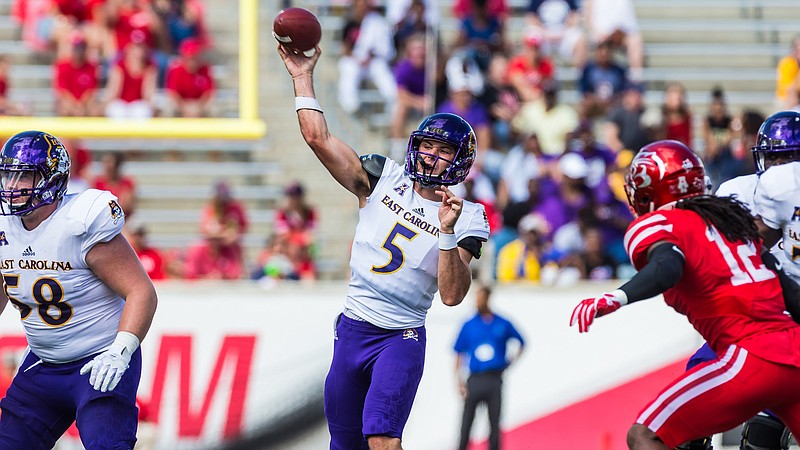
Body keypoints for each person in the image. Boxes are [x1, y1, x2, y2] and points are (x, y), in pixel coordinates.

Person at [277, 42, 491, 449]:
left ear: (459, 161)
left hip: (400, 335)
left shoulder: (467, 215)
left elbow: (451, 295)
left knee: (382, 440)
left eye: (443, 150)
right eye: (427, 144)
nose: (430, 155)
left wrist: (446, 231)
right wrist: (302, 76)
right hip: (353, 327)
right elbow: (318, 139)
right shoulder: (381, 176)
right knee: (344, 445)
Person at [569, 139, 800, 450]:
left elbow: (668, 267)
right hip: (793, 349)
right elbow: (788, 291)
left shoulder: (659, 223)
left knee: (646, 435)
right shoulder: (733, 222)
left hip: (750, 355)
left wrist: (617, 297)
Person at [0, 131, 158, 448]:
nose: (13, 186)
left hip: (100, 362)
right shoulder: (4, 228)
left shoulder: (79, 222)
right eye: (8, 176)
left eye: (25, 176)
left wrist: (120, 351)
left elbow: (142, 292)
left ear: (53, 178)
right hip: (44, 364)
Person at [453, 284, 525, 450]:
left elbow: (522, 342)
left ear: (487, 298)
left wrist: (509, 363)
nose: (477, 302)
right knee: (466, 424)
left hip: (494, 378)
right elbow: (458, 353)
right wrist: (459, 381)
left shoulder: (502, 323)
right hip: (475, 378)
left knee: (494, 423)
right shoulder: (469, 324)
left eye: (481, 297)